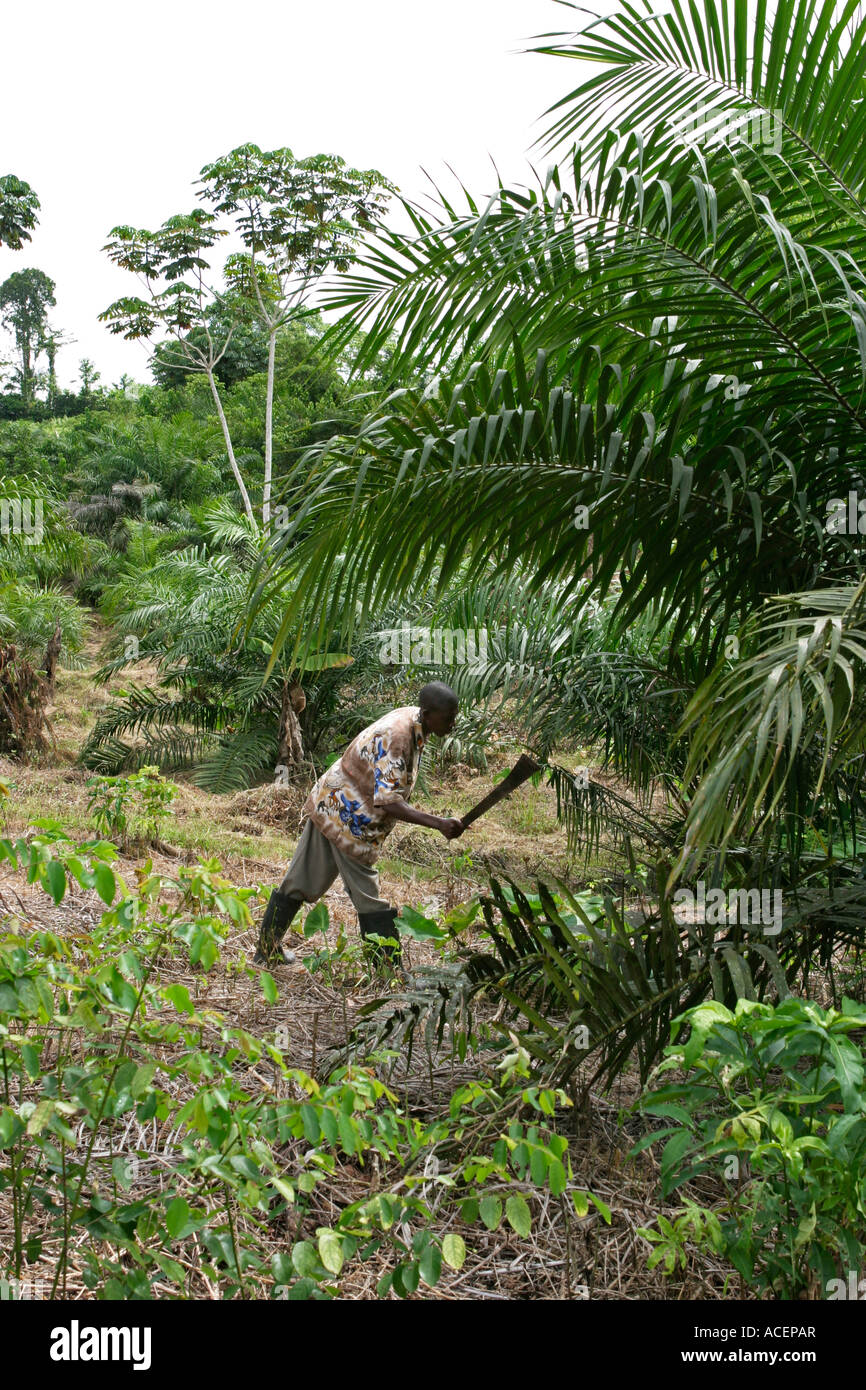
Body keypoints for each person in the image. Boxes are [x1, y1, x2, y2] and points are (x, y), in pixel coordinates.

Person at [252, 681, 464, 969]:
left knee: (299, 879)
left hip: (332, 799)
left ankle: (267, 950)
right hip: (347, 815)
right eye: (448, 717)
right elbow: (388, 801)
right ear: (427, 713)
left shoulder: (414, 721)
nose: (453, 723)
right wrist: (438, 823)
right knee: (369, 897)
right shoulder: (400, 737)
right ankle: (386, 970)